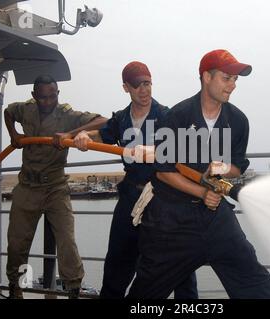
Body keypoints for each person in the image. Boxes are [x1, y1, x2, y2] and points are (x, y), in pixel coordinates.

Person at [127, 50, 270, 299]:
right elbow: (163, 172)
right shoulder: (176, 117)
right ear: (206, 77)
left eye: (235, 80)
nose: (232, 86)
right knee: (146, 293)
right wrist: (202, 191)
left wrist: (224, 169)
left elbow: (238, 166)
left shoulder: (238, 121)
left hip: (216, 219)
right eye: (226, 78)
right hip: (171, 220)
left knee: (255, 283)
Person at [72, 61, 198, 299]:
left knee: (180, 265)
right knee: (117, 261)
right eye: (138, 85)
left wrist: (154, 149)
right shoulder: (121, 120)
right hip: (130, 198)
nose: (145, 90)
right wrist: (83, 135)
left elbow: (185, 145)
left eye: (148, 83)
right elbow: (103, 134)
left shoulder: (168, 116)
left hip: (163, 198)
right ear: (125, 88)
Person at [4, 75, 107, 299]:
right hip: (27, 186)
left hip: (56, 188)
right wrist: (14, 135)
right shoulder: (26, 109)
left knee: (67, 241)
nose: (49, 102)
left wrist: (71, 134)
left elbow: (103, 121)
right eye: (43, 98)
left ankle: (73, 289)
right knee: (17, 243)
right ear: (34, 96)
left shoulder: (67, 114)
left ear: (58, 94)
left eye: (53, 96)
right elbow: (8, 111)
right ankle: (16, 286)